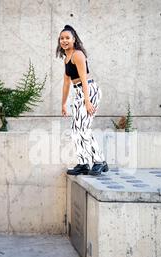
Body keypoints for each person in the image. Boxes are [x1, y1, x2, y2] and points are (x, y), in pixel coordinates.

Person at [56, 24, 109, 176]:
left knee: (84, 128)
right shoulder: (66, 58)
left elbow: (84, 79)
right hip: (78, 93)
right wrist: (63, 104)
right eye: (62, 38)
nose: (64, 40)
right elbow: (67, 83)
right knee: (76, 130)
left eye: (67, 38)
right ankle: (84, 163)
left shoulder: (78, 55)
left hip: (89, 91)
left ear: (74, 40)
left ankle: (99, 161)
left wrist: (87, 101)